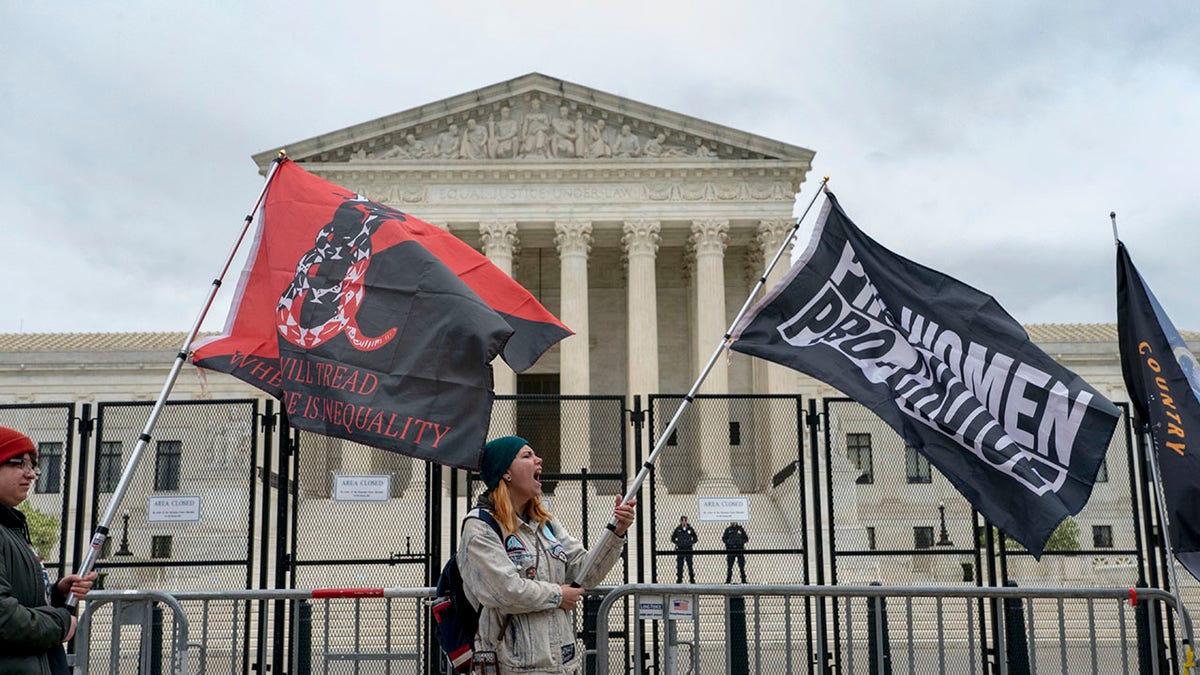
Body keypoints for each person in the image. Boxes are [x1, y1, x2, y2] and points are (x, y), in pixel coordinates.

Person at [457, 436, 636, 674]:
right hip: (512, 667)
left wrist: (617, 530)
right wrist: (557, 595)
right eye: (527, 456)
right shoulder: (480, 526)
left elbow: (584, 573)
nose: (539, 460)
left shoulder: (545, 524)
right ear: (506, 472)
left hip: (561, 664)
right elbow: (502, 591)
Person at [0, 426, 97, 674]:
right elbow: (4, 619)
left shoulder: (12, 526)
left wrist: (54, 595)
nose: (31, 474)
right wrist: (61, 622)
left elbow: (18, 599)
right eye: (19, 463)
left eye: (33, 465)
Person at [670, 516, 698, 583]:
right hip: (680, 549)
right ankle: (679, 579)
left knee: (690, 565)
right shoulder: (678, 529)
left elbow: (695, 538)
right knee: (680, 565)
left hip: (688, 549)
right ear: (680, 521)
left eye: (685, 521)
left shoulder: (690, 529)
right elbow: (673, 538)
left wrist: (690, 543)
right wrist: (678, 543)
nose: (684, 522)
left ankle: (692, 579)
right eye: (682, 521)